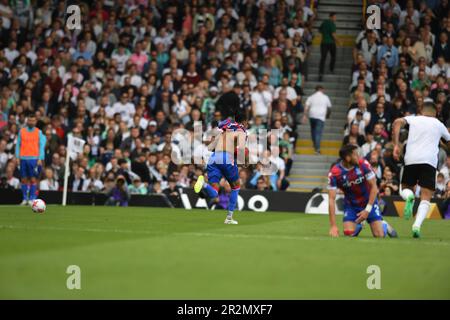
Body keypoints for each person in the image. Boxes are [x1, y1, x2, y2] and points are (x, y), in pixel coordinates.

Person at [392, 101, 450, 238]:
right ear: (435, 112)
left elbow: (396, 123)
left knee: (404, 188)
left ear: (422, 110)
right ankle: (416, 226)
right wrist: (443, 144)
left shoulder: (414, 119)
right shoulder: (439, 124)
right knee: (426, 198)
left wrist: (396, 145)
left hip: (411, 159)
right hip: (429, 162)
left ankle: (409, 196)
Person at [328, 144, 397, 238]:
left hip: (369, 202)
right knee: (349, 234)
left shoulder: (363, 164)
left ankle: (384, 224)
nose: (358, 157)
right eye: (355, 155)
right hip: (351, 205)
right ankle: (359, 224)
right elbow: (331, 199)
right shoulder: (335, 173)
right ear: (348, 158)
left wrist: (367, 210)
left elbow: (374, 187)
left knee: (379, 235)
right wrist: (333, 226)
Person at [193, 114, 247, 225]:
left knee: (214, 193)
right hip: (226, 158)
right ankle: (229, 218)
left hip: (213, 159)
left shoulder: (222, 133)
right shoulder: (240, 132)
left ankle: (203, 184)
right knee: (236, 187)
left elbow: (209, 148)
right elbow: (242, 150)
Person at [15, 114, 46, 205]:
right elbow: (18, 145)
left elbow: (41, 146)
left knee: (33, 179)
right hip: (23, 158)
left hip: (34, 159)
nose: (31, 122)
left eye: (33, 120)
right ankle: (25, 198)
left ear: (35, 121)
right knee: (24, 179)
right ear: (27, 121)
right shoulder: (22, 131)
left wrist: (40, 158)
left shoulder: (38, 132)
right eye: (29, 120)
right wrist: (17, 157)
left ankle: (32, 199)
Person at [302, 85, 332, 154]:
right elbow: (329, 107)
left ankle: (315, 144)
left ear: (315, 90)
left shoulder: (311, 97)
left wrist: (305, 115)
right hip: (320, 117)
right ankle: (317, 149)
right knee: (318, 133)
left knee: (313, 131)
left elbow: (306, 107)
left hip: (312, 116)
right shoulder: (325, 97)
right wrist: (328, 115)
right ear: (322, 90)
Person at [318, 12, 340, 81]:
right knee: (333, 56)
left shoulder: (324, 22)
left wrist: (324, 35)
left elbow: (319, 30)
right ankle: (331, 69)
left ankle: (321, 73)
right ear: (331, 17)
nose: (335, 18)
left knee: (323, 58)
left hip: (323, 43)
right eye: (334, 17)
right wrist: (339, 41)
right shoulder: (332, 24)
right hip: (331, 43)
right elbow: (333, 34)